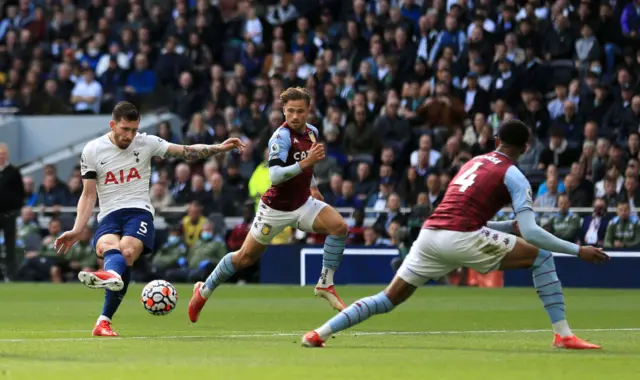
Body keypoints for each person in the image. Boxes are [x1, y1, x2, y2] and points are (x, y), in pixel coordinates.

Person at [301, 120, 609, 349]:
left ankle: (319, 333)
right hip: (461, 237)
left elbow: (458, 214)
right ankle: (564, 335)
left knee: (387, 299)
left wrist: (503, 228)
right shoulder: (514, 174)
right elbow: (530, 231)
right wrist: (578, 250)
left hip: (431, 236)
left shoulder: (472, 162)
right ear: (526, 148)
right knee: (540, 255)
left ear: (496, 139)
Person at [54, 101, 244, 336]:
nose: (130, 135)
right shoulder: (92, 150)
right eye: (125, 129)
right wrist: (76, 229)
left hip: (138, 211)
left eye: (134, 129)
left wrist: (218, 148)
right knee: (106, 247)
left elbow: (185, 151)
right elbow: (88, 194)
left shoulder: (146, 143)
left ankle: (110, 277)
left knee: (126, 252)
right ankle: (103, 321)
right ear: (113, 125)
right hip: (109, 214)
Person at [188, 87, 349, 323]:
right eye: (291, 111)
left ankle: (325, 284)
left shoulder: (312, 132)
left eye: (300, 111)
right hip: (275, 209)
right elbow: (275, 176)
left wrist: (313, 186)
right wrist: (306, 163)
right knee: (244, 258)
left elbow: (308, 165)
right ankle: (203, 291)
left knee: (340, 227)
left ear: (308, 112)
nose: (295, 116)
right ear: (283, 111)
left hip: (303, 202)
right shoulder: (280, 137)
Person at [0, 142, 25, 281]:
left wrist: (15, 209)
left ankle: (12, 275)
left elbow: (20, 193)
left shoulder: (13, 172)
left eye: (3, 154)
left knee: (10, 246)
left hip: (9, 214)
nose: (1, 157)